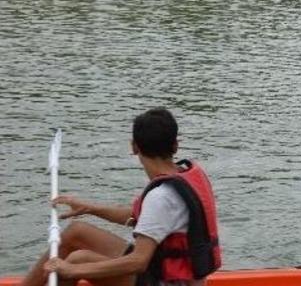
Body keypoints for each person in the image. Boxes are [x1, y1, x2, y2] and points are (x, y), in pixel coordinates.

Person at [21, 108, 221, 286]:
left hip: (166, 280)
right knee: (77, 231)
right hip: (162, 271)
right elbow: (142, 217)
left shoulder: (162, 196)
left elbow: (138, 262)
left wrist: (71, 270)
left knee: (77, 261)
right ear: (175, 145)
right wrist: (91, 208)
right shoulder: (183, 176)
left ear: (134, 147)